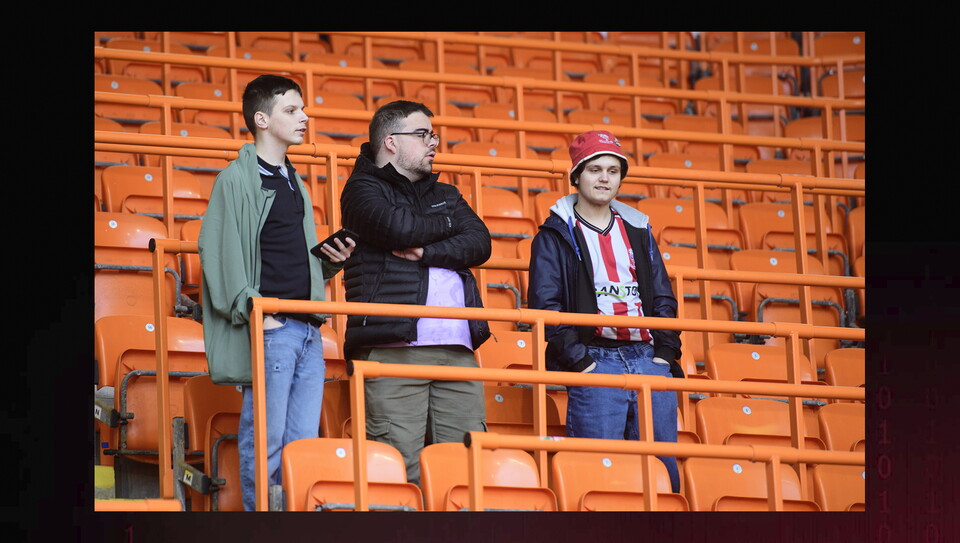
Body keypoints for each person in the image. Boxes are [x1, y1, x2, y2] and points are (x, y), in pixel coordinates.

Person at [198, 74, 355, 510]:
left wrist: (330, 260)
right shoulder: (234, 179)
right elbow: (217, 250)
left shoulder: (296, 182)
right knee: (265, 441)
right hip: (272, 326)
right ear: (262, 119)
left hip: (306, 327)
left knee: (300, 447)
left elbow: (293, 257)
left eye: (302, 109)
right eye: (292, 110)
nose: (304, 117)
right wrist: (257, 312)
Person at [339, 100, 491, 486]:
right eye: (422, 134)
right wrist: (446, 225)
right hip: (393, 347)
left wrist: (428, 250)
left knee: (464, 473)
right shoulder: (361, 188)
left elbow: (480, 243)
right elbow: (398, 229)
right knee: (395, 469)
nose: (433, 142)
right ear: (390, 141)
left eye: (433, 135)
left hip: (458, 348)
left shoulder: (448, 192)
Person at [527, 129, 684, 492]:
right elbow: (546, 305)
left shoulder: (639, 231)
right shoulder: (554, 234)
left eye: (613, 171)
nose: (604, 178)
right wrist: (582, 362)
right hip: (596, 361)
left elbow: (663, 298)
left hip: (648, 361)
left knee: (661, 477)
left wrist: (664, 354)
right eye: (595, 169)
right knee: (598, 476)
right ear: (577, 175)